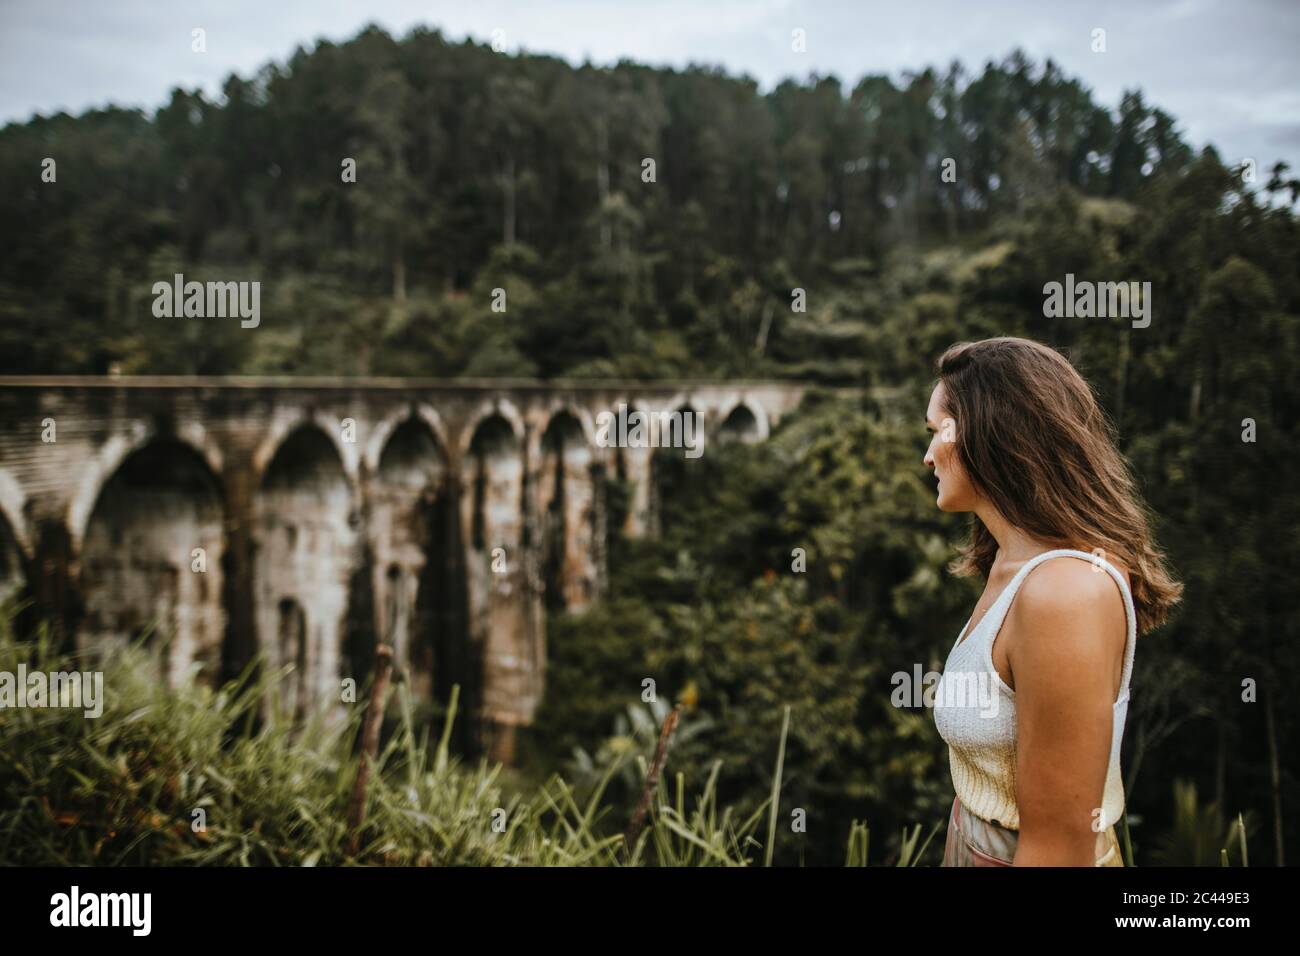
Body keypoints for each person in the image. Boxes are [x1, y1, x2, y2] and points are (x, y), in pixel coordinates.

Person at [924, 337, 1182, 866]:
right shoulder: (1009, 565)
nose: (928, 455)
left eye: (937, 433)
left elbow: (1059, 850)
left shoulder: (1066, 594)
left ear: (991, 430)